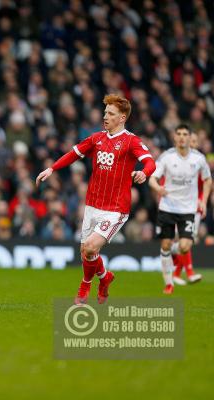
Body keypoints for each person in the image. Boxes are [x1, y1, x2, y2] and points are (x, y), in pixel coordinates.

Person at [36, 94, 155, 304]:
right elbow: (73, 154)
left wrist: (144, 173)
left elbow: (149, 161)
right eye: (105, 112)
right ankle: (105, 277)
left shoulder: (131, 141)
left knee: (90, 247)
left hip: (116, 208)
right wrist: (51, 168)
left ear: (122, 117)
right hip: (92, 204)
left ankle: (85, 285)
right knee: (86, 252)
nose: (105, 117)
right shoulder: (97, 139)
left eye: (111, 113)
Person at [148, 125, 211, 294]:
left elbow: (207, 180)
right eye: (179, 134)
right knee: (166, 243)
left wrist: (203, 201)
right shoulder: (166, 157)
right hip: (167, 207)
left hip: (188, 209)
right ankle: (169, 283)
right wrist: (158, 188)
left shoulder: (198, 159)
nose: (182, 137)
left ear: (190, 138)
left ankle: (172, 254)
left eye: (185, 134)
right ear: (174, 138)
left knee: (184, 246)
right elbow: (153, 178)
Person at [170, 131, 210, 285]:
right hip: (180, 206)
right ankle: (189, 272)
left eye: (194, 142)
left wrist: (203, 201)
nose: (192, 144)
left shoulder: (200, 162)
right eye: (190, 141)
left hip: (195, 207)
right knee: (185, 239)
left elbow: (206, 183)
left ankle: (176, 272)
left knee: (186, 242)